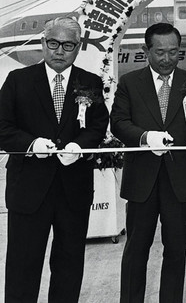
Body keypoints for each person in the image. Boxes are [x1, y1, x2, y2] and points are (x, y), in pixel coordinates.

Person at [0, 16, 109, 302]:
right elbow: (2, 127)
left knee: (69, 266)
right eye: (53, 43)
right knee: (22, 266)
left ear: (78, 47)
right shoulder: (18, 80)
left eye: (68, 45)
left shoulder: (90, 82)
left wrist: (78, 146)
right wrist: (31, 144)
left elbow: (98, 125)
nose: (59, 51)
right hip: (28, 190)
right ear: (42, 43)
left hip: (73, 190)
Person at [110, 23, 186, 303]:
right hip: (142, 180)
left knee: (176, 251)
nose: (167, 59)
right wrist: (145, 137)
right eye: (160, 52)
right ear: (146, 51)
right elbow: (118, 122)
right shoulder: (130, 83)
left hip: (179, 179)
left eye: (173, 52)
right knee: (136, 249)